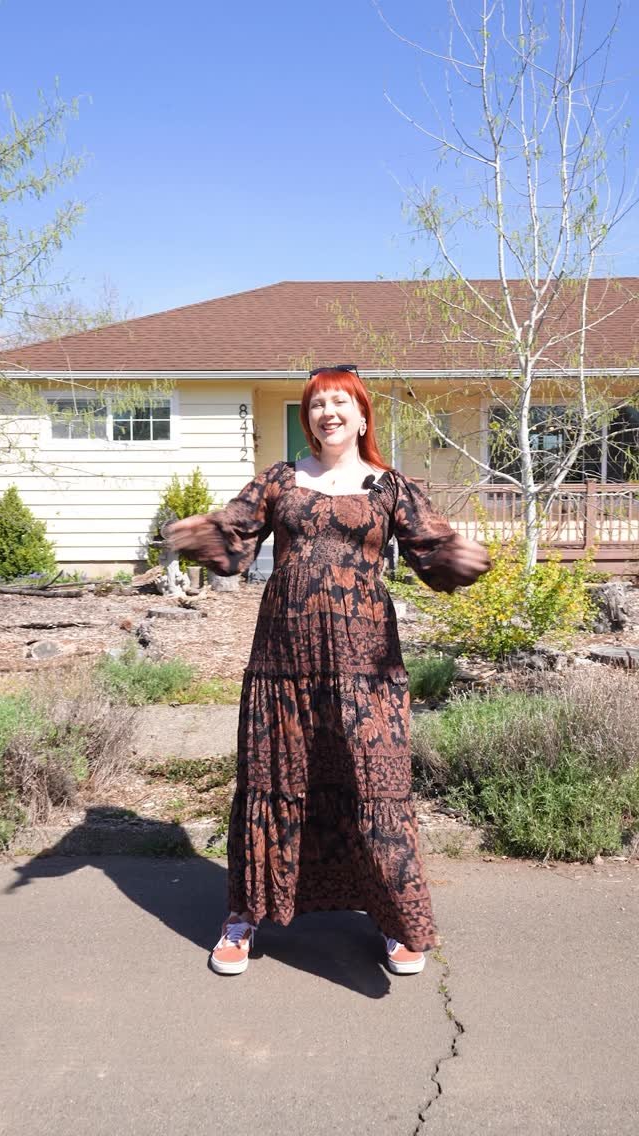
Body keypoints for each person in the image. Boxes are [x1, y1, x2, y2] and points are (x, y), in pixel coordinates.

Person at [168, 365, 490, 978]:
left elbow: (430, 551)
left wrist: (459, 556)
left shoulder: (389, 486)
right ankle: (244, 916)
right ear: (308, 418)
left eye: (340, 402)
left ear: (362, 416)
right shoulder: (280, 480)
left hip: (366, 663)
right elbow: (234, 541)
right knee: (273, 777)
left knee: (375, 782)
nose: (328, 412)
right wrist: (199, 535)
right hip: (284, 661)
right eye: (317, 404)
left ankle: (394, 920)